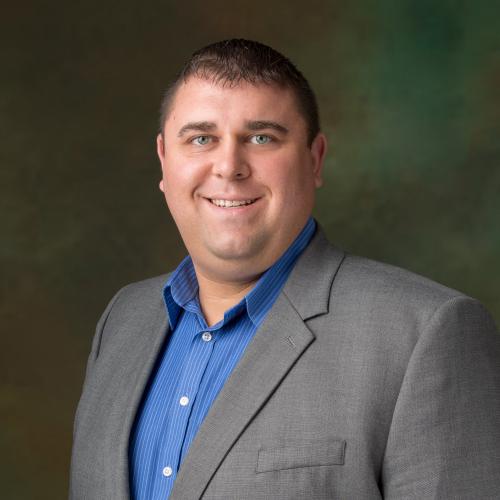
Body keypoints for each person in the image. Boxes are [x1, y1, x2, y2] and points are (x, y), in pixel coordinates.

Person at [69, 39, 500, 500]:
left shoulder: (425, 333)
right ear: (164, 160)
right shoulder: (123, 320)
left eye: (262, 138)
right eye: (201, 139)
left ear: (314, 160)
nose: (229, 167)